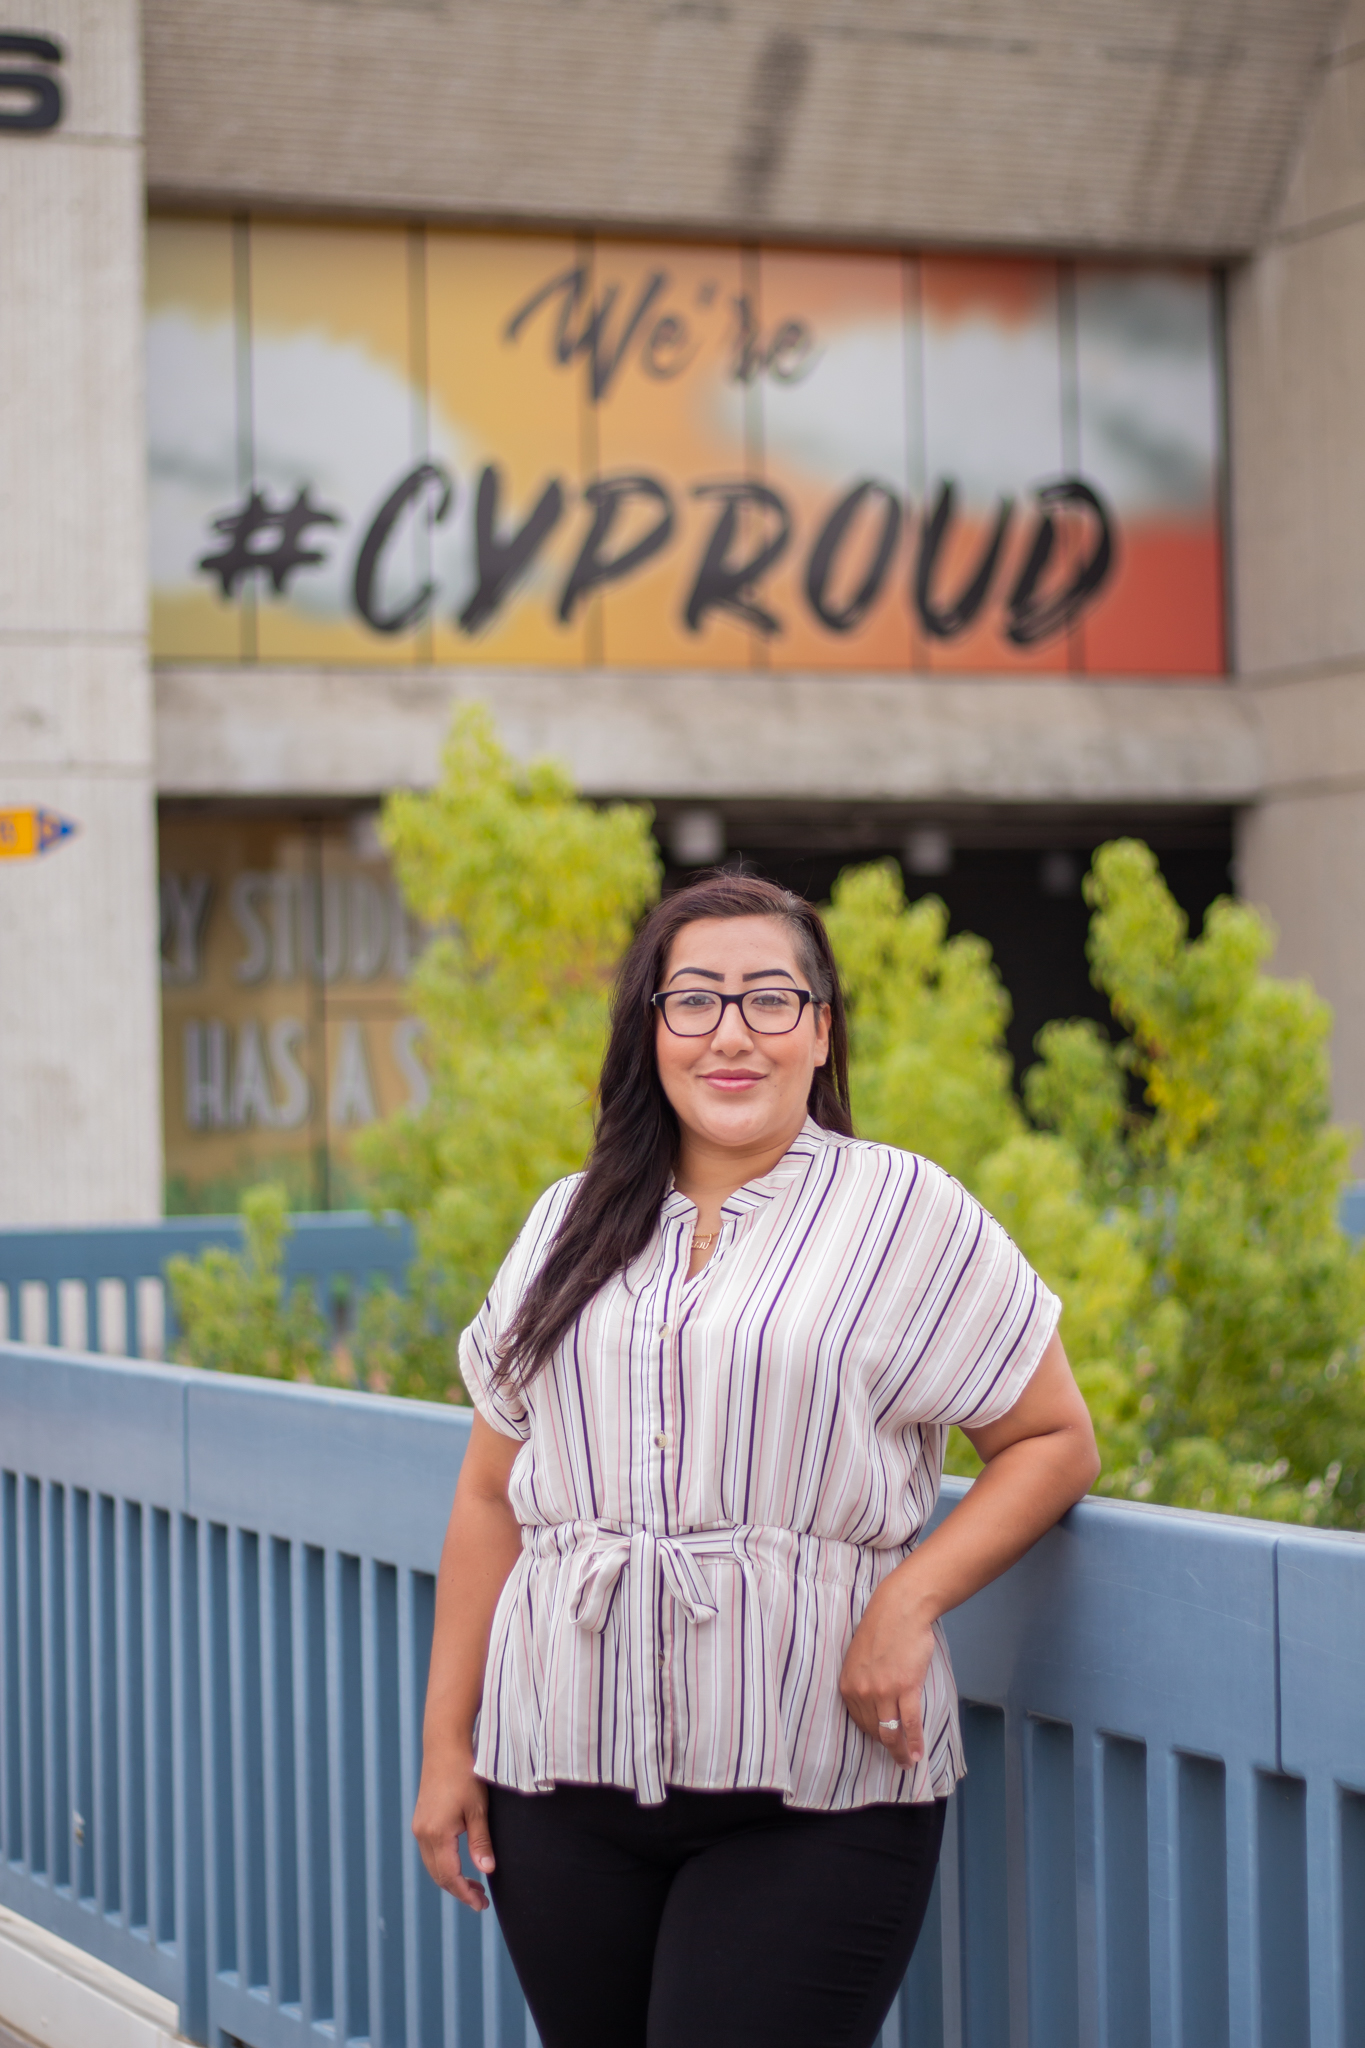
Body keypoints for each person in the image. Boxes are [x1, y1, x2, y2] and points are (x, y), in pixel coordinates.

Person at [413, 873, 1099, 2048]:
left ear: (821, 1028)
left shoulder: (906, 1211)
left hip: (814, 1783)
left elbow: (1052, 1438)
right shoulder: (566, 1220)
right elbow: (490, 1495)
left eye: (771, 997)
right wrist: (444, 1751)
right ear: (651, 1029)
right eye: (695, 999)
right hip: (556, 1774)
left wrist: (910, 1596)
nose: (732, 1031)